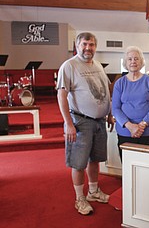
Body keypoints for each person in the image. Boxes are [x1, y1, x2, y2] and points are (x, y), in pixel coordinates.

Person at [56, 32, 114, 215]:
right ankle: (79, 198)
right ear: (77, 45)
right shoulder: (69, 66)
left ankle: (93, 191)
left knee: (95, 159)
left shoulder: (97, 64)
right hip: (80, 121)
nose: (88, 48)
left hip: (99, 121)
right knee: (78, 163)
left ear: (95, 47)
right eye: (84, 44)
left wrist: (110, 114)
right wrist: (68, 124)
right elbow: (61, 95)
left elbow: (106, 91)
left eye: (91, 45)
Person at [112, 46, 149, 159]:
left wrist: (142, 125)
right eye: (130, 59)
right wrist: (130, 126)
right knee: (128, 167)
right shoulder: (120, 83)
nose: (133, 62)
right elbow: (115, 108)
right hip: (126, 132)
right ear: (125, 62)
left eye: (136, 58)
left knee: (148, 165)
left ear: (141, 61)